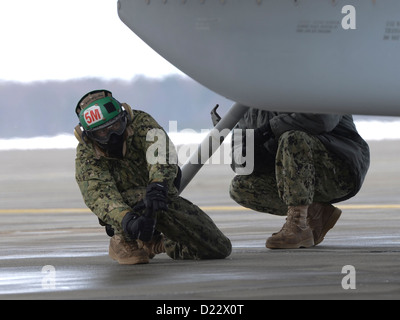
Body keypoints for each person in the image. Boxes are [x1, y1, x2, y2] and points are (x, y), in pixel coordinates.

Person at [74, 89, 232, 264]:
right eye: (102, 133)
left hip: (159, 197)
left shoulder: (141, 123)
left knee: (219, 248)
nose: (112, 135)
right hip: (126, 207)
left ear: (124, 118)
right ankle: (123, 239)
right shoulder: (87, 155)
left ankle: (156, 243)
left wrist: (158, 185)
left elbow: (161, 154)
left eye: (115, 127)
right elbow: (98, 195)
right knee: (128, 212)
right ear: (90, 136)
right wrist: (127, 220)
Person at [230, 109, 370, 249]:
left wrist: (269, 130)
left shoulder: (307, 87)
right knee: (241, 187)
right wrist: (248, 157)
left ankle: (298, 227)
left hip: (339, 167)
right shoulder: (248, 107)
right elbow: (238, 160)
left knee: (293, 138)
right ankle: (314, 212)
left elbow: (322, 119)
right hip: (299, 174)